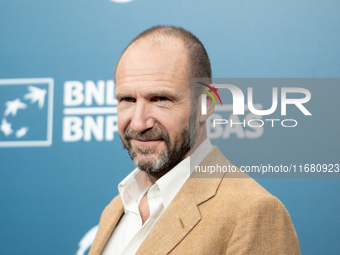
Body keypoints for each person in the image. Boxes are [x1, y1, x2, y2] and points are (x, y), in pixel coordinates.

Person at [89, 25, 300, 255]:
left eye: (160, 99)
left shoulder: (252, 212)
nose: (139, 123)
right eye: (127, 99)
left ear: (206, 104)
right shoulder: (115, 210)